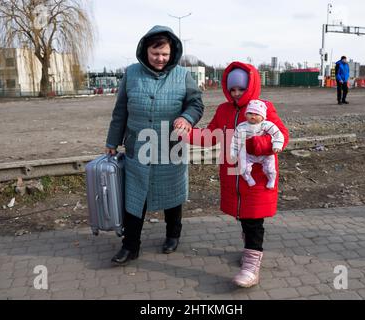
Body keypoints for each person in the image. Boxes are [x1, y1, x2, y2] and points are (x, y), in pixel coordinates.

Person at [105, 25, 204, 265]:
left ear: (173, 53)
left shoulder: (183, 75)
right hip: (138, 147)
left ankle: (173, 234)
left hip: (171, 146)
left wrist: (187, 118)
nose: (160, 59)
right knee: (134, 197)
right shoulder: (131, 73)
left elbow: (196, 104)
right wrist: (112, 141)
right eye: (155, 53)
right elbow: (120, 112)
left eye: (165, 54)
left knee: (173, 194)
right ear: (145, 50)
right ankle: (130, 246)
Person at [187, 62, 289, 288]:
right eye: (232, 89)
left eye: (240, 89)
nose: (235, 93)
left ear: (250, 86)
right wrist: (187, 134)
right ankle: (249, 252)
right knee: (243, 217)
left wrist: (257, 145)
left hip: (257, 175)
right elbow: (211, 135)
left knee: (254, 220)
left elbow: (280, 134)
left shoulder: (263, 108)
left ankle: (252, 265)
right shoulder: (224, 110)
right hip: (233, 173)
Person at [230, 99, 285, 189]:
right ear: (246, 114)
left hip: (265, 153)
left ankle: (271, 179)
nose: (253, 116)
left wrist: (277, 145)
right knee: (243, 167)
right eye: (250, 113)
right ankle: (248, 178)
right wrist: (234, 152)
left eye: (256, 114)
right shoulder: (241, 127)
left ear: (263, 116)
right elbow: (235, 140)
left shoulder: (266, 125)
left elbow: (277, 134)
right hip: (248, 153)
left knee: (270, 168)